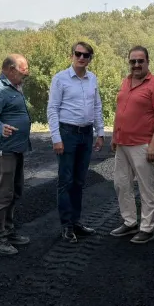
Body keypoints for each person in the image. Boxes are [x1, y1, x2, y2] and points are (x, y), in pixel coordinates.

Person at [109, 46, 154, 245]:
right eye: (132, 61)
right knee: (121, 184)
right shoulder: (126, 81)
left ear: (147, 62)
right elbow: (121, 110)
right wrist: (114, 136)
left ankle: (147, 227)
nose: (136, 65)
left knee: (146, 188)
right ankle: (129, 221)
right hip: (122, 143)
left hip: (142, 145)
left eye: (140, 61)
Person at [47, 42, 104, 243]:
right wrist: (56, 138)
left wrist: (100, 132)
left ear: (90, 58)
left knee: (80, 181)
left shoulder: (92, 79)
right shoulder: (60, 79)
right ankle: (66, 226)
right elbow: (52, 109)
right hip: (67, 133)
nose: (81, 58)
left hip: (86, 134)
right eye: (78, 54)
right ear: (72, 55)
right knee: (66, 182)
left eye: (86, 55)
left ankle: (76, 222)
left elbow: (97, 106)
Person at [0, 55, 32, 256]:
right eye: (23, 71)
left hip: (17, 148)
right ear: (11, 70)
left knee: (15, 192)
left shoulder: (15, 87)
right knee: (2, 195)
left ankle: (8, 231)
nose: (25, 74)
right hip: (3, 150)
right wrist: (0, 127)